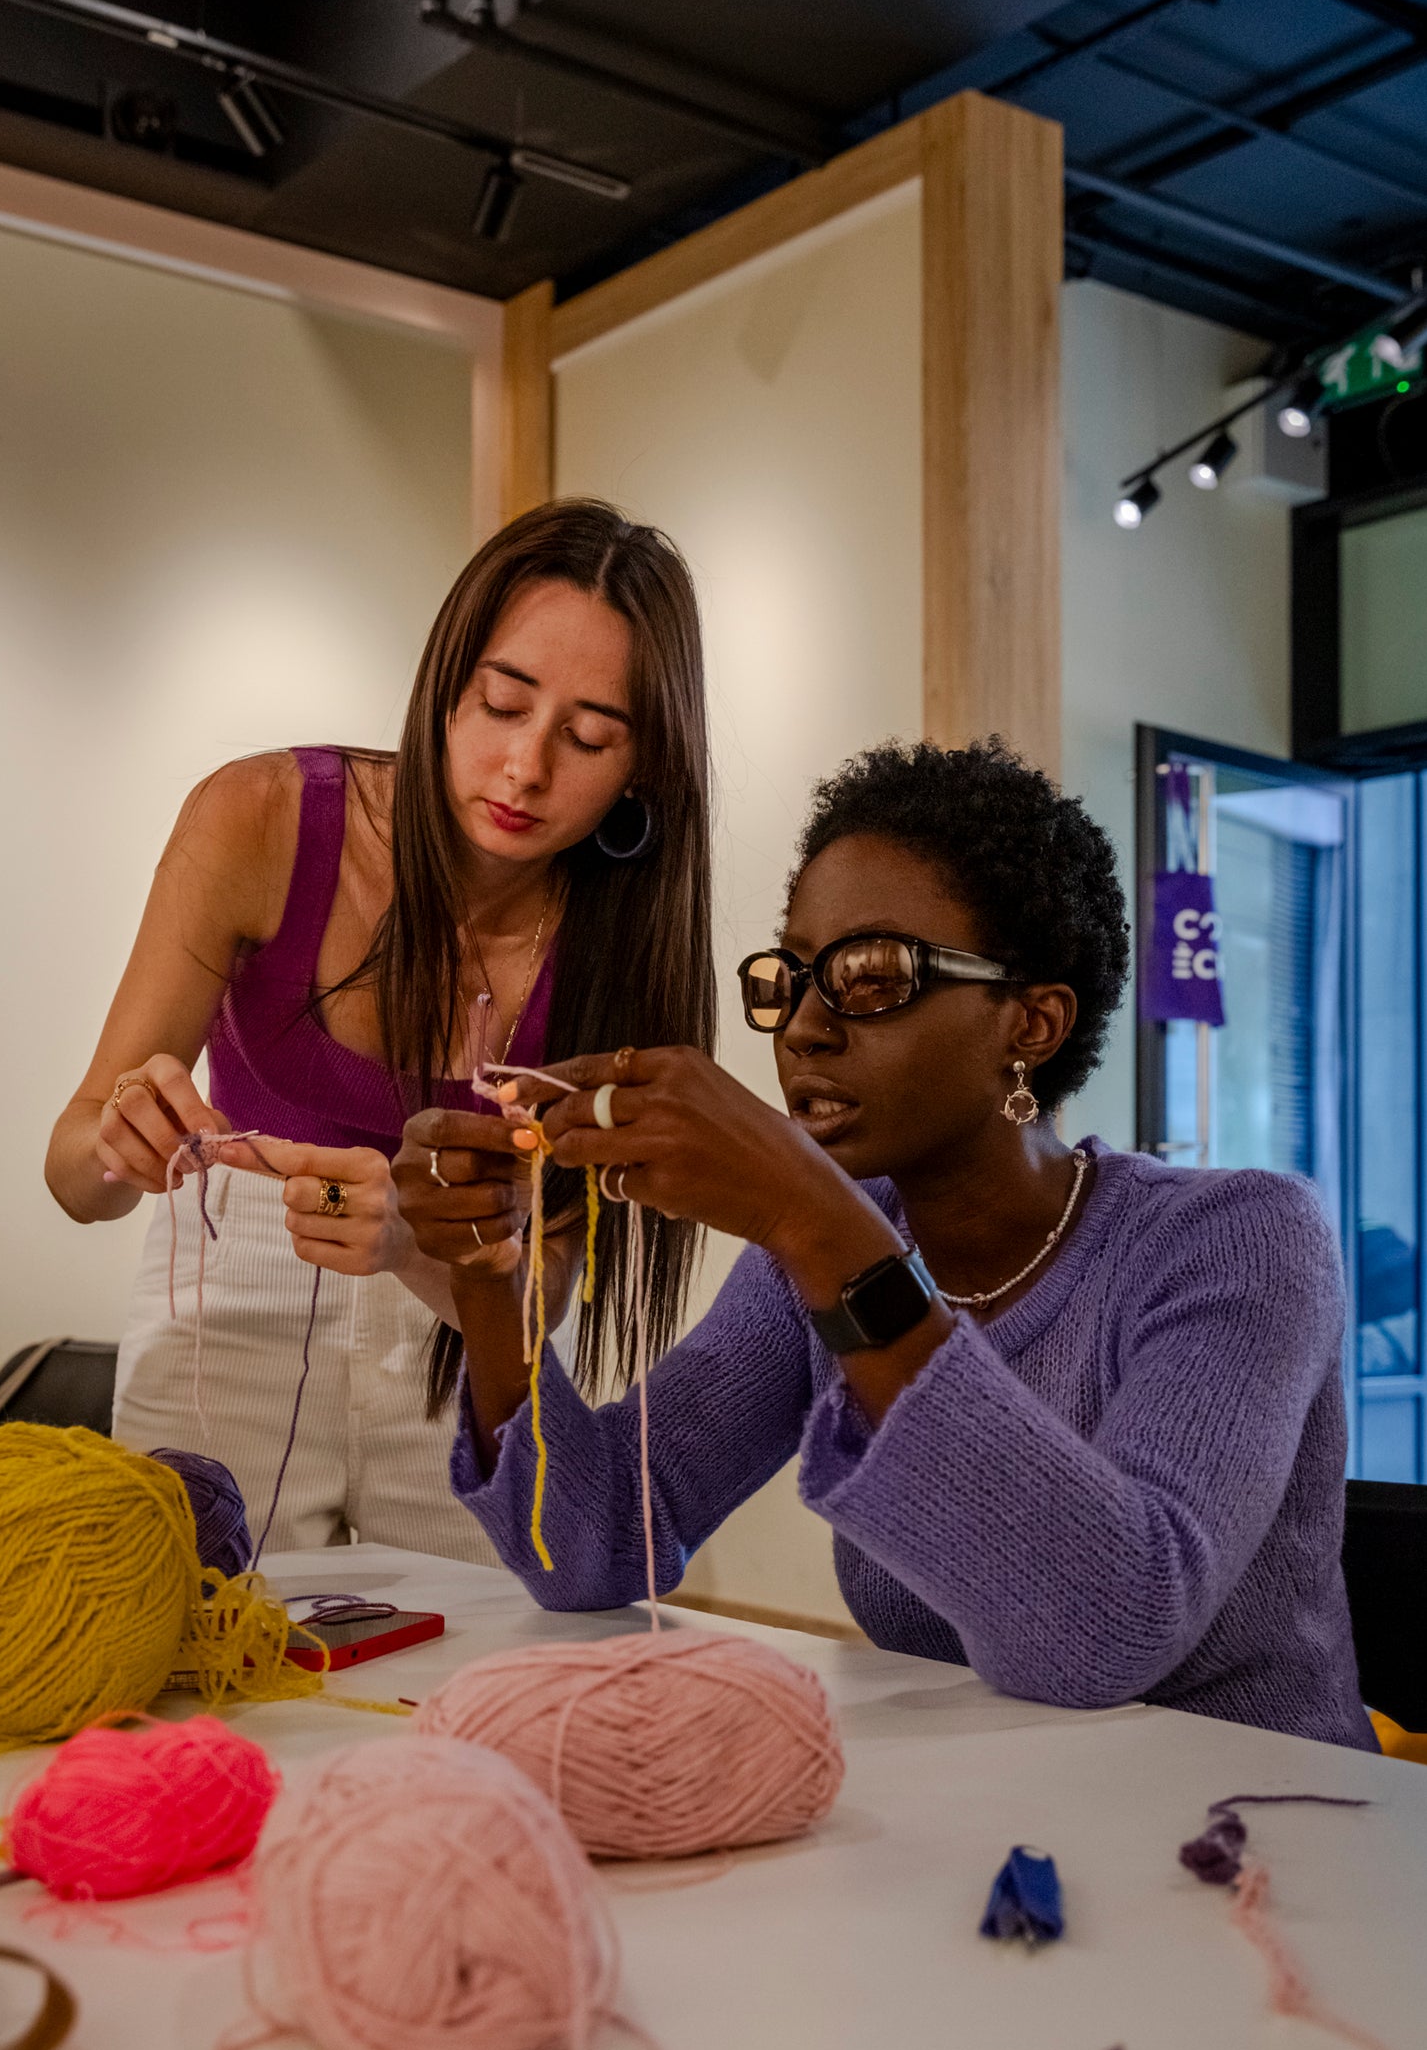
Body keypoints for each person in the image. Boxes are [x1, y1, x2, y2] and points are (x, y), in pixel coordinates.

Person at [397, 738, 1374, 1750]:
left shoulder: (1239, 1238)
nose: (804, 1028)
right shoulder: (810, 1262)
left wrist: (815, 1221)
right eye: (793, 977)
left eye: (870, 976)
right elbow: (590, 1548)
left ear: (1030, 1024)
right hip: (984, 1826)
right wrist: (488, 1271)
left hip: (1260, 1834)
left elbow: (1112, 1629)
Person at [46, 500, 714, 1554]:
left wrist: (411, 1243)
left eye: (588, 738)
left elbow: (539, 1298)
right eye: (503, 703)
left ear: (642, 767)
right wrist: (119, 1146)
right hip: (229, 1300)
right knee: (191, 1642)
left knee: (467, 1674)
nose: (526, 769)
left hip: (465, 1332)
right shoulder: (258, 819)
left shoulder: (623, 942)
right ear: (446, 683)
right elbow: (73, 1175)